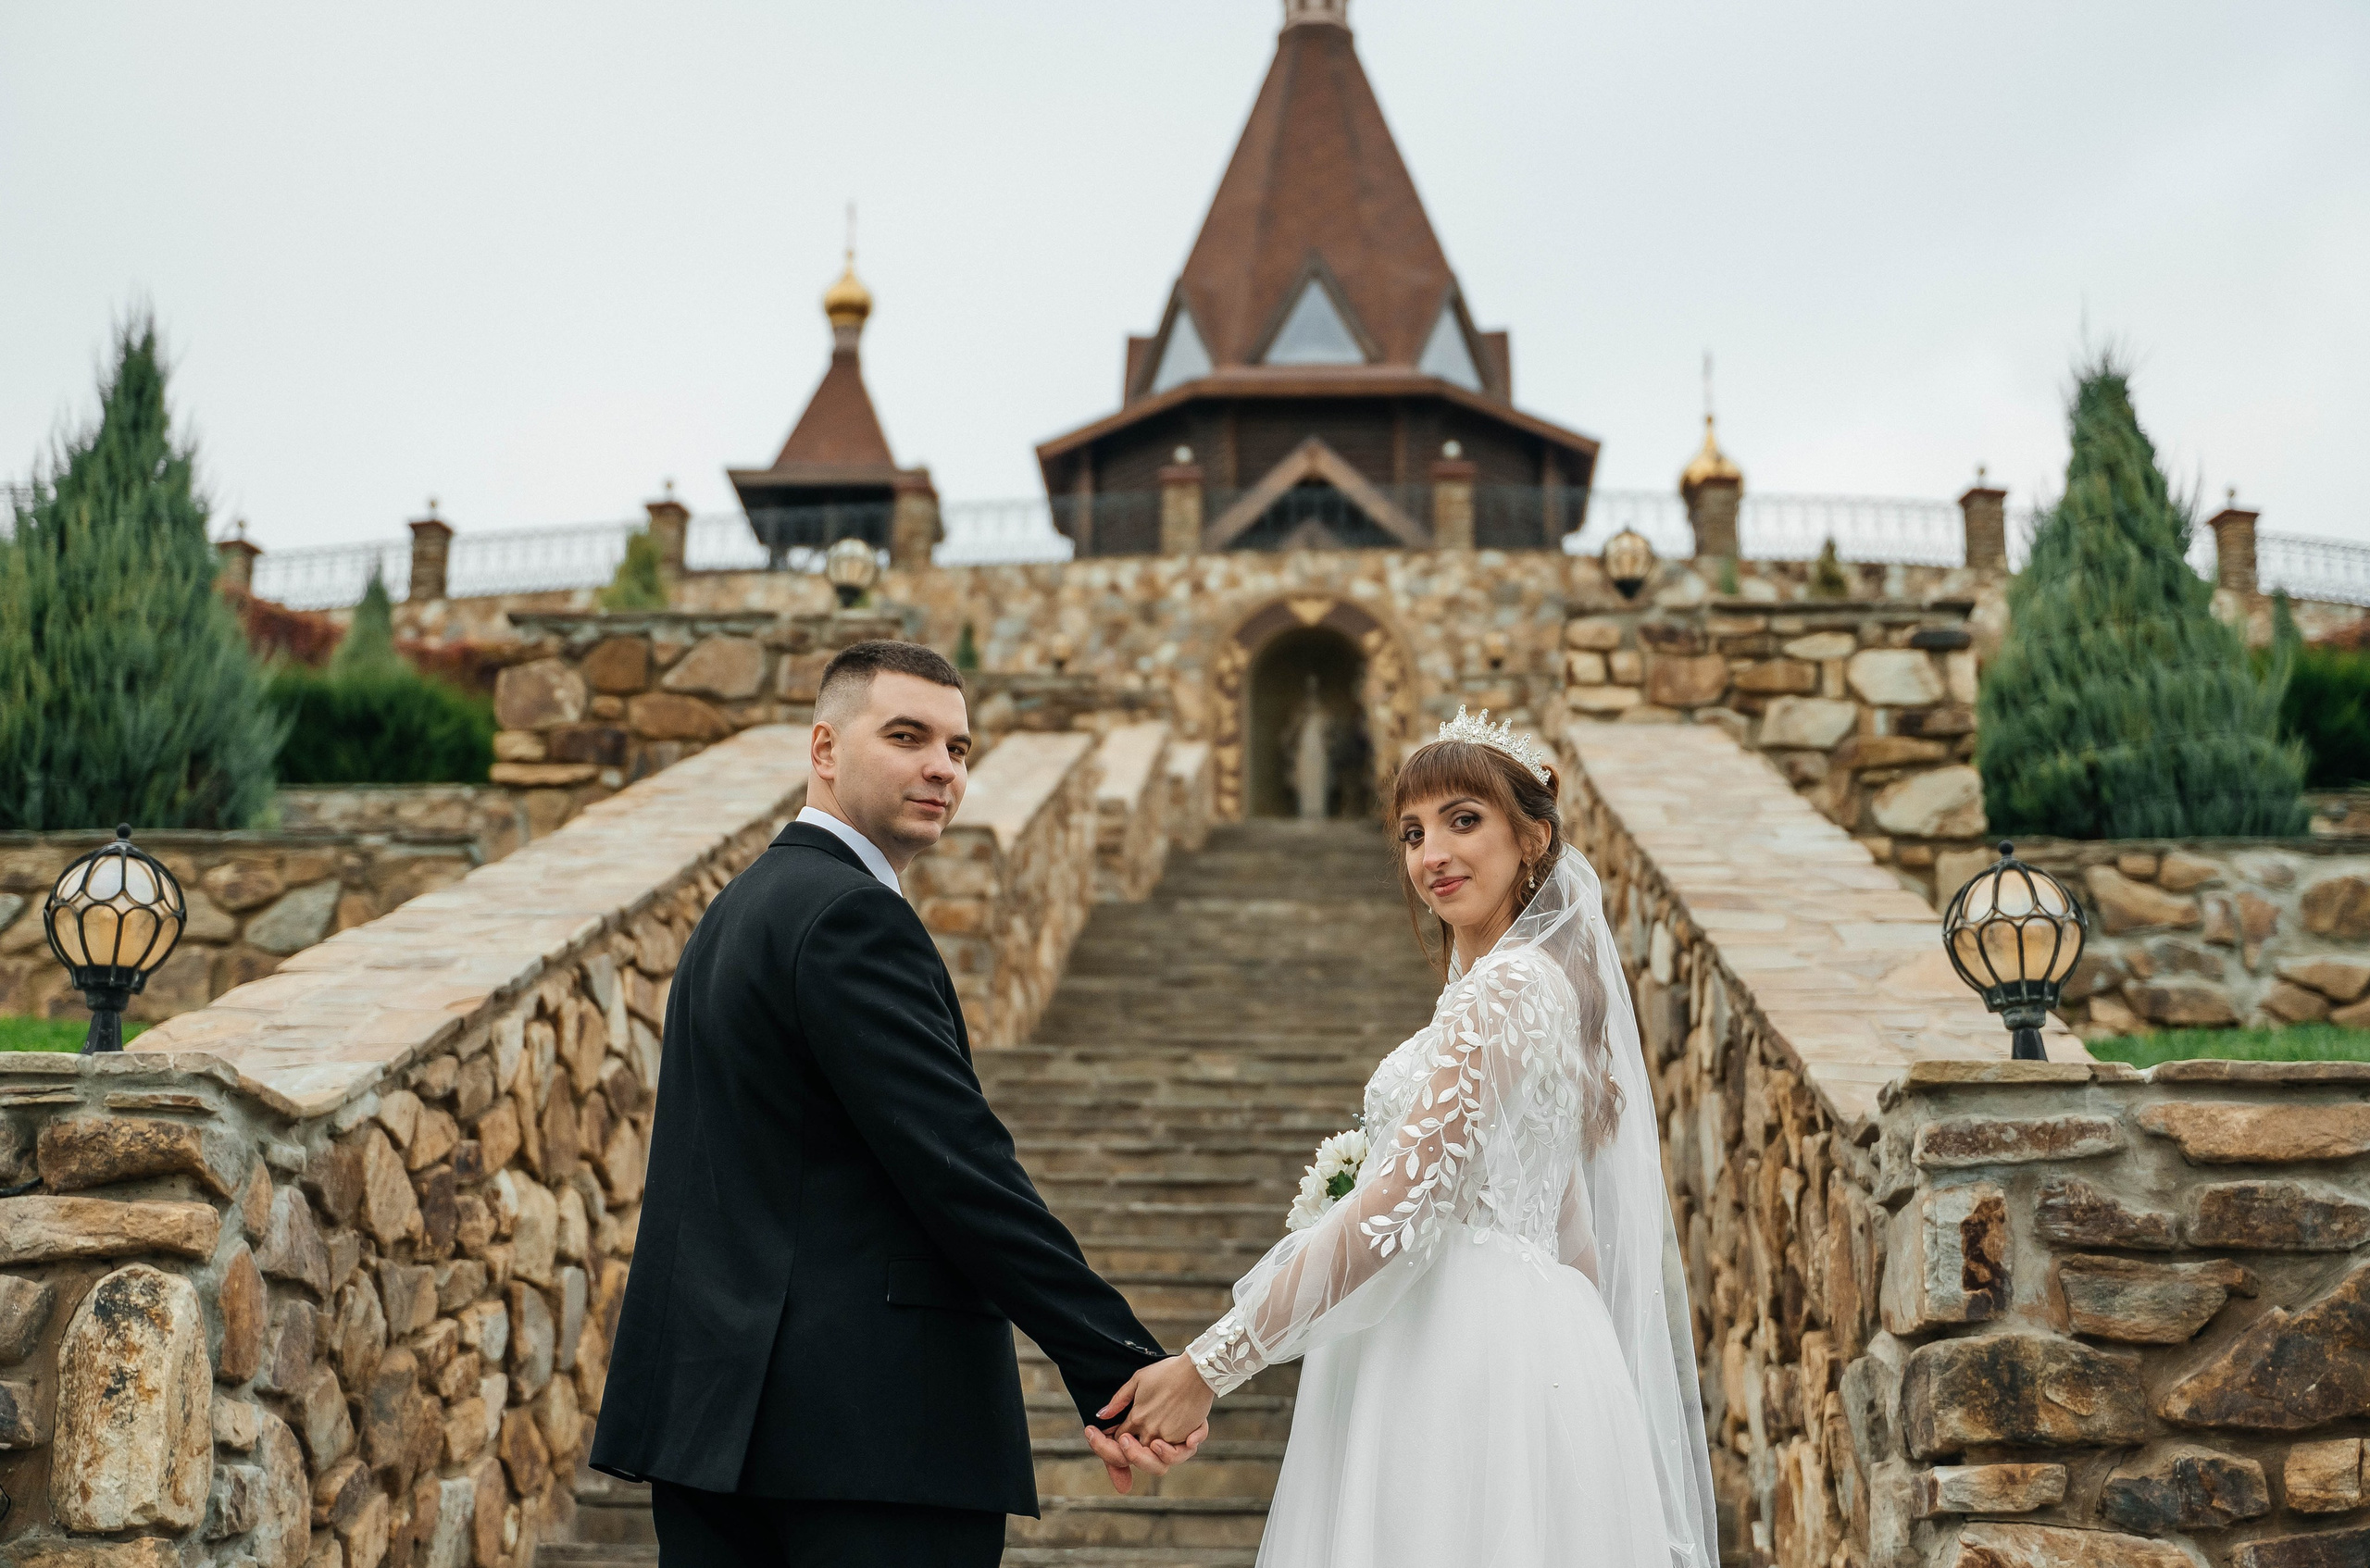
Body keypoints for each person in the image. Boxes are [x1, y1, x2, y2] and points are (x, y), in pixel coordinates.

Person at [591, 639, 1205, 1568]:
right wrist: (1115, 1362)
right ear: (825, 748)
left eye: (958, 748)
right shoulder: (851, 917)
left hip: (717, 1430)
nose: (941, 766)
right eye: (908, 735)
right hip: (862, 1441)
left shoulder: (738, 910)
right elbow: (957, 1167)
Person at [1100, 708, 1721, 1568]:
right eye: (1413, 831)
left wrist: (1208, 1367)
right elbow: (1573, 1238)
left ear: (1533, 838)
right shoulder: (1540, 993)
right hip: (1536, 1348)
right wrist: (1583, 1397)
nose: (1433, 854)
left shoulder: (1504, 991)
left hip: (1460, 1357)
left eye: (1464, 820)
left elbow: (1400, 1210)